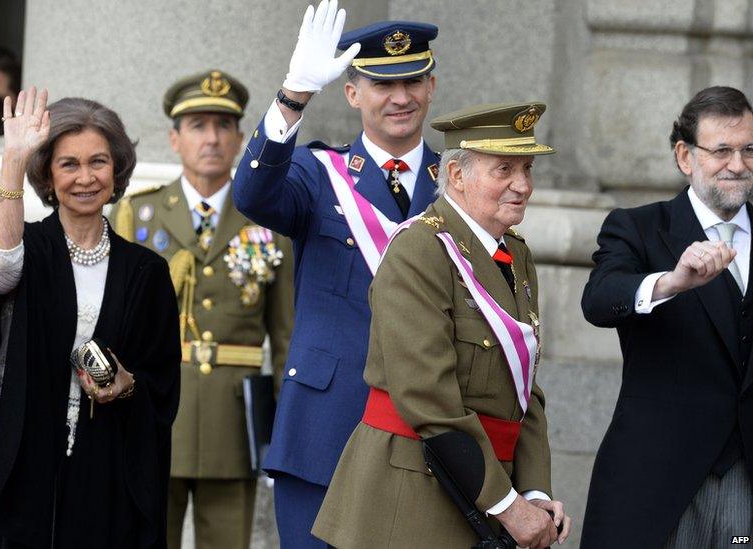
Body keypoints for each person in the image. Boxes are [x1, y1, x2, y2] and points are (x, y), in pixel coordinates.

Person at [312, 102, 571, 548]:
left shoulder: (516, 254)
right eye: (503, 170)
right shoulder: (421, 250)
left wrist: (534, 490)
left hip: (486, 485)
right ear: (456, 176)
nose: (523, 185)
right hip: (414, 490)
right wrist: (509, 505)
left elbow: (523, 386)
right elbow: (428, 396)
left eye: (527, 169)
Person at [232, 1, 442, 544]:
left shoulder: (458, 185)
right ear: (352, 94)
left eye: (413, 81)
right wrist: (293, 95)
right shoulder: (317, 172)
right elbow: (253, 195)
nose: (400, 98)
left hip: (433, 428)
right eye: (381, 84)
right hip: (326, 428)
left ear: (431, 87)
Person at [0, 87, 180, 548]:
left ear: (117, 170)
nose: (85, 177)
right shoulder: (30, 250)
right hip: (25, 462)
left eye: (98, 162)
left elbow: (163, 381)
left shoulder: (146, 271)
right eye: (69, 163)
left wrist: (127, 384)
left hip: (106, 468)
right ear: (47, 175)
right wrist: (12, 158)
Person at [110, 69, 293, 549]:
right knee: (147, 535)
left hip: (234, 419)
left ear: (239, 138)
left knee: (228, 539)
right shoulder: (138, 214)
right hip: (152, 407)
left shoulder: (271, 220)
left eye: (223, 126)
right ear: (174, 138)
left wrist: (284, 431)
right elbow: (115, 325)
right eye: (197, 126)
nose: (211, 138)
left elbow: (287, 335)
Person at [580, 86, 753, 548]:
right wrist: (670, 283)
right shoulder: (637, 227)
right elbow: (598, 299)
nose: (737, 165)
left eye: (748, 149)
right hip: (659, 482)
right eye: (721, 151)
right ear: (684, 155)